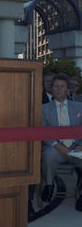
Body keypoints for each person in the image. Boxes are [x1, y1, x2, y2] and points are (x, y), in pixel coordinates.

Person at [41, 73, 82, 210]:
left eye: (62, 86)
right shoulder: (44, 110)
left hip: (77, 147)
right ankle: (49, 185)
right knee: (48, 156)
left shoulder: (79, 107)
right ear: (51, 89)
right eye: (56, 86)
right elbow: (44, 133)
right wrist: (59, 147)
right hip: (56, 147)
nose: (59, 89)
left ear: (68, 90)